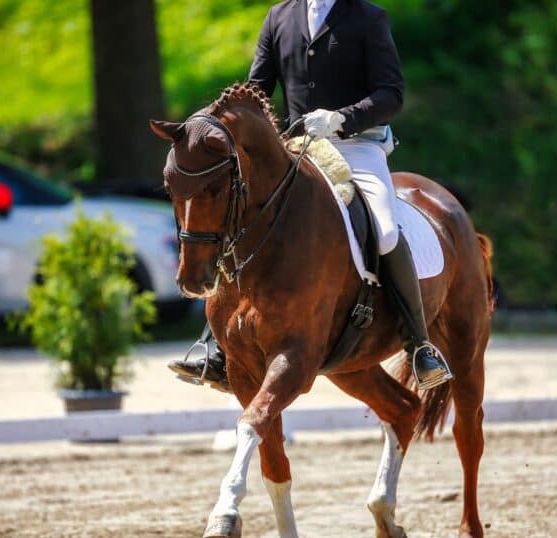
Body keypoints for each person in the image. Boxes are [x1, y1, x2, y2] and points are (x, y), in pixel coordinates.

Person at [168, 0, 452, 391]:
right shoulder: (279, 17)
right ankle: (217, 345)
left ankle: (419, 344)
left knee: (385, 230)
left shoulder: (368, 17)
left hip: (357, 146)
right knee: (239, 220)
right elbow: (256, 92)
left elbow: (392, 94)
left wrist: (342, 118)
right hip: (298, 147)